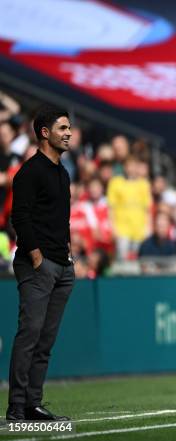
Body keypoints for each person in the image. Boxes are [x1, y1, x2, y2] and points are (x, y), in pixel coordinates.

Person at [7, 105, 75, 421]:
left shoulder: (62, 173)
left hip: (62, 265)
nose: (69, 133)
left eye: (69, 128)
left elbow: (61, 219)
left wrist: (68, 254)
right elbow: (18, 216)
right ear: (45, 133)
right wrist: (36, 256)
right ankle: (16, 407)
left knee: (45, 341)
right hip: (39, 265)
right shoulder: (30, 172)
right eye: (63, 128)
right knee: (29, 335)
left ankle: (33, 403)